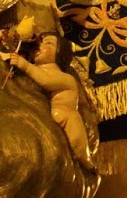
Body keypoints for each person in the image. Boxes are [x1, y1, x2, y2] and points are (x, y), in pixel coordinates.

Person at [6, 32, 96, 165]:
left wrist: (25, 65)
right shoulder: (33, 73)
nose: (40, 46)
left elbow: (46, 80)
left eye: (48, 43)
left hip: (66, 121)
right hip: (47, 121)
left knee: (72, 148)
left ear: (59, 53)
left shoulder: (67, 78)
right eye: (39, 43)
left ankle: (85, 163)